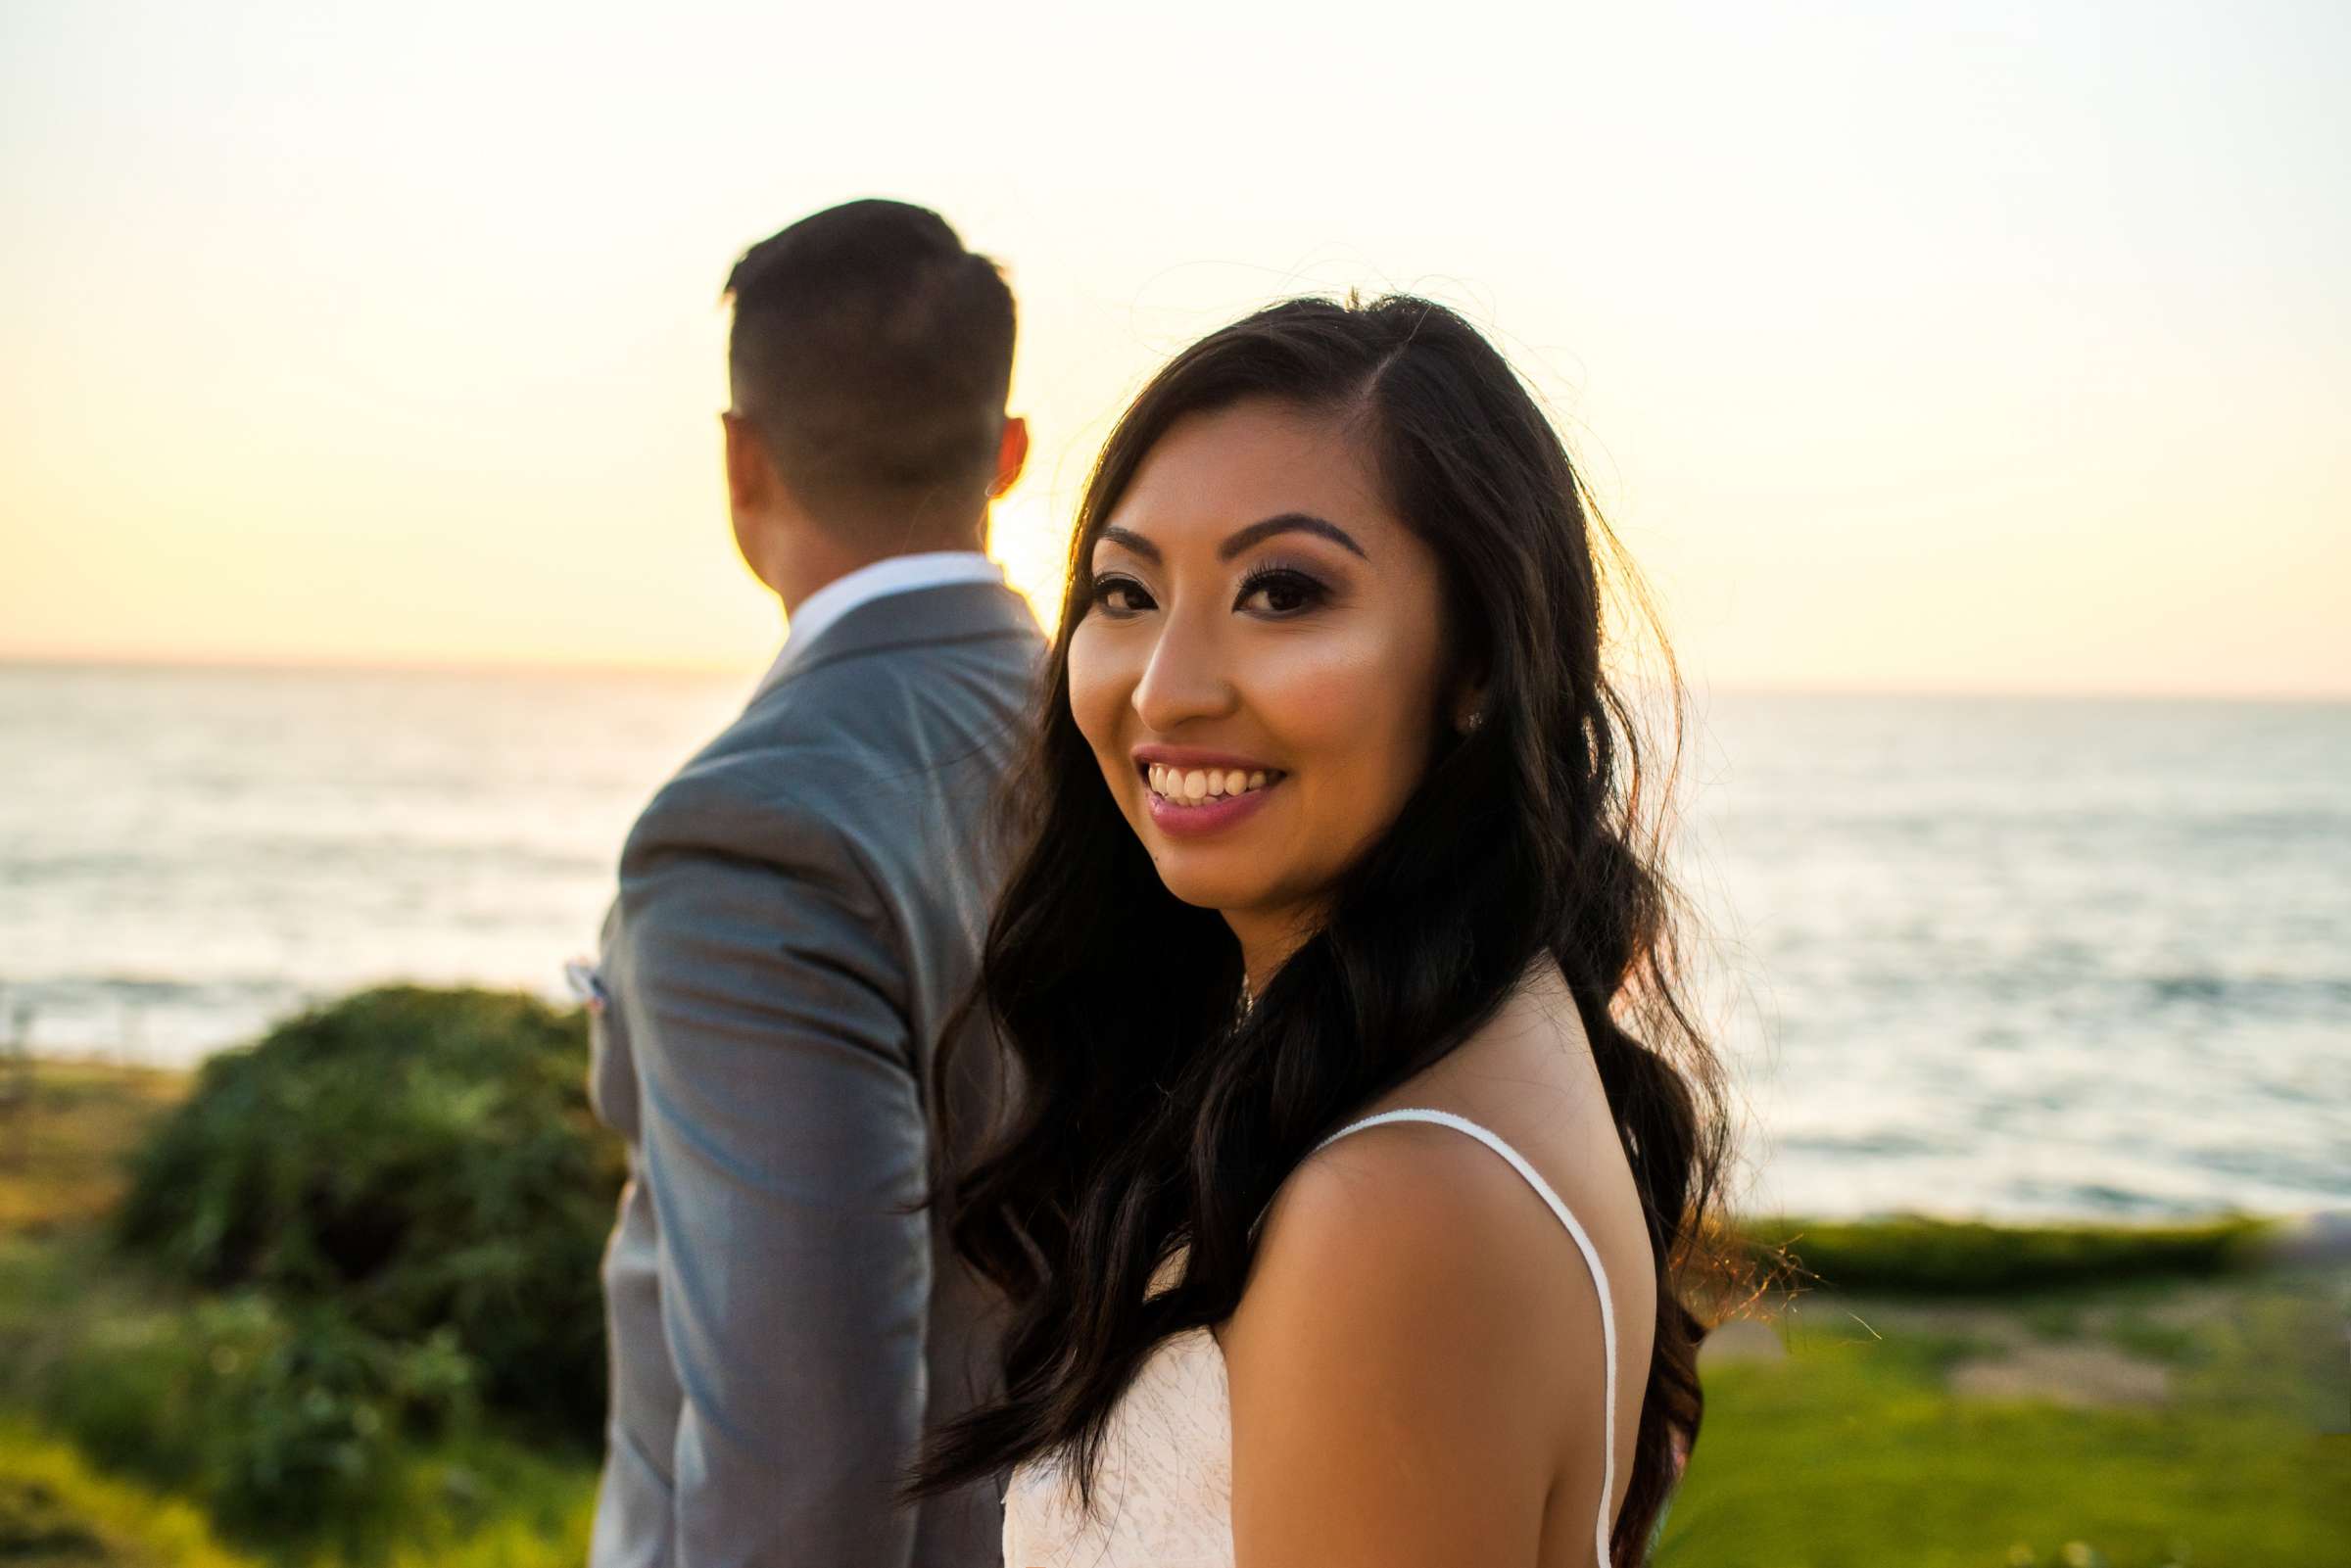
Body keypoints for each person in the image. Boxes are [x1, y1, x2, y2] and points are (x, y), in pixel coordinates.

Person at [900, 294, 1739, 1567]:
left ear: (1477, 661)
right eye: (1125, 590)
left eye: (1282, 593)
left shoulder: (1388, 1209)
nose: (1166, 685)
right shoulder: (1480, 1023)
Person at [584, 200, 1046, 1568]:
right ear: (1011, 454)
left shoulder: (743, 835)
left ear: (741, 459)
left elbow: (801, 1473)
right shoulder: (1139, 753)